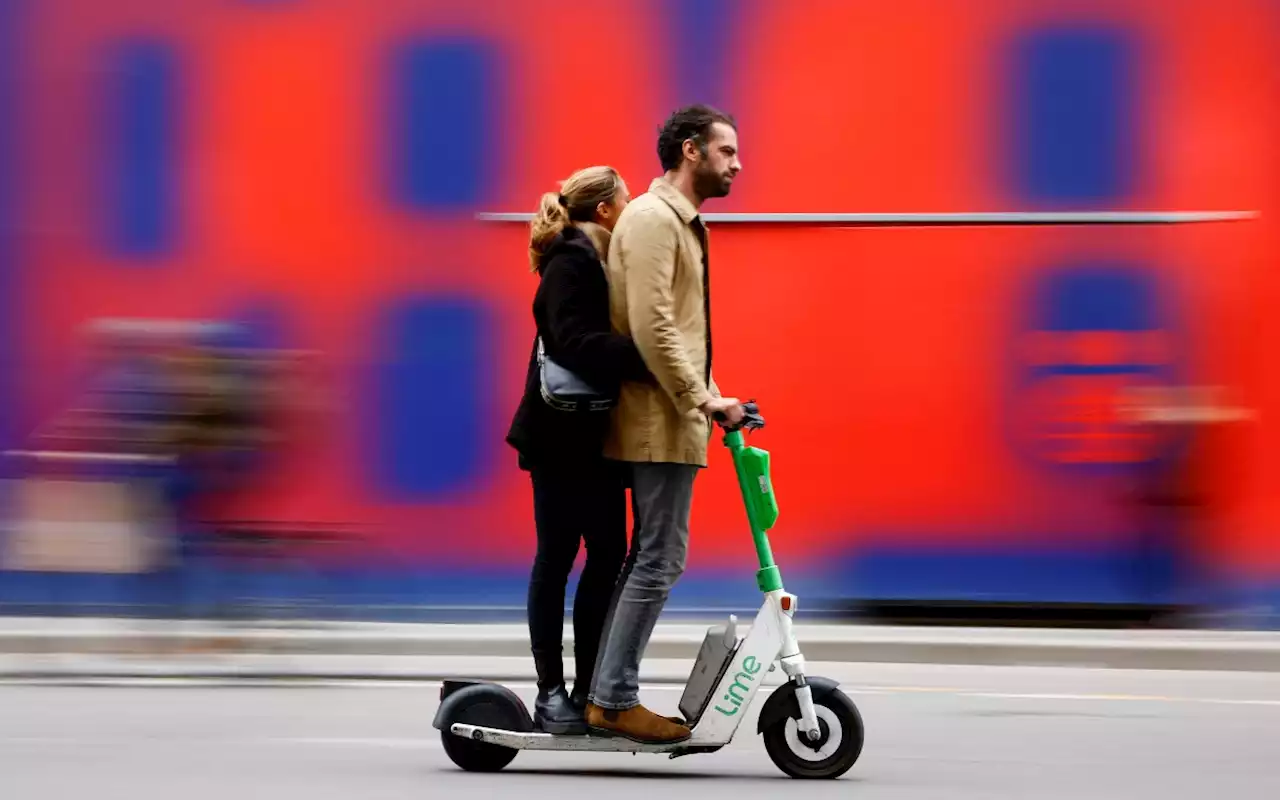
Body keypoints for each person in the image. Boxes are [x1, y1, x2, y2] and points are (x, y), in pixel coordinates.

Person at [585, 105, 746, 743]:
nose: (738, 163)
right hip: (658, 418)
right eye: (727, 151)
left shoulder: (681, 223)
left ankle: (607, 693)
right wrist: (701, 399)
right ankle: (614, 699)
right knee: (659, 558)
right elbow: (652, 326)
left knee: (649, 557)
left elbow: (676, 333)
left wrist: (712, 393)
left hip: (671, 410)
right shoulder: (656, 221)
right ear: (690, 151)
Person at [505, 166, 653, 735]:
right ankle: (551, 691)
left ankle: (592, 686)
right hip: (559, 439)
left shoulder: (599, 261)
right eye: (627, 199)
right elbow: (571, 342)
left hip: (592, 436)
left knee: (607, 556)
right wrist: (643, 357)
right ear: (605, 211)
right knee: (558, 560)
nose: (634, 207)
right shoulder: (569, 261)